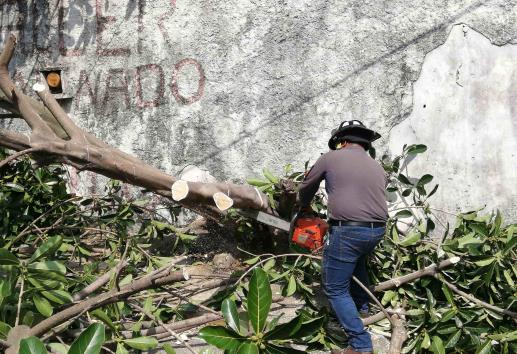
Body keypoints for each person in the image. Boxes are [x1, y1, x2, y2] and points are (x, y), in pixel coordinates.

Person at [297, 120, 388, 354]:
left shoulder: (330, 157)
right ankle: (362, 307)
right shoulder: (377, 166)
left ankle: (360, 344)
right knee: (357, 263)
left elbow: (307, 187)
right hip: (376, 231)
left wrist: (303, 207)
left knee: (335, 288)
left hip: (348, 231)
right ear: (366, 144)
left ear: (342, 141)